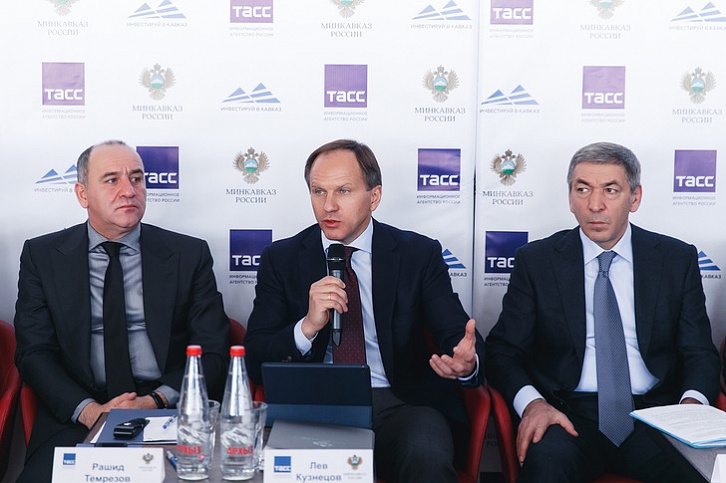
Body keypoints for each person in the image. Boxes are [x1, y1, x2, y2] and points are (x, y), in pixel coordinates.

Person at [244, 139, 486, 482]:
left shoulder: (418, 254)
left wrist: (466, 364)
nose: (328, 206)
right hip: (314, 405)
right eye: (318, 191)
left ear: (374, 197)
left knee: (426, 455)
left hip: (401, 404)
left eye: (343, 191)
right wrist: (307, 327)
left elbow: (455, 333)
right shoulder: (281, 259)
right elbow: (255, 357)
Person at [485, 142, 720, 482]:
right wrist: (533, 404)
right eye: (583, 190)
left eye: (610, 190)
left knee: (703, 471)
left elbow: (699, 352)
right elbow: (504, 351)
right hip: (567, 415)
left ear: (634, 198)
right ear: (570, 198)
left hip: (658, 416)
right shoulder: (537, 262)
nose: (595, 205)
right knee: (546, 466)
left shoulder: (674, 260)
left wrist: (691, 408)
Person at [14, 140, 230, 482]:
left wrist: (155, 400)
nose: (129, 191)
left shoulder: (188, 254)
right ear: (83, 194)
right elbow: (34, 353)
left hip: (169, 410)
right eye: (112, 180)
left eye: (137, 178)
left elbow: (213, 350)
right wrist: (90, 412)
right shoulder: (43, 257)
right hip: (78, 413)